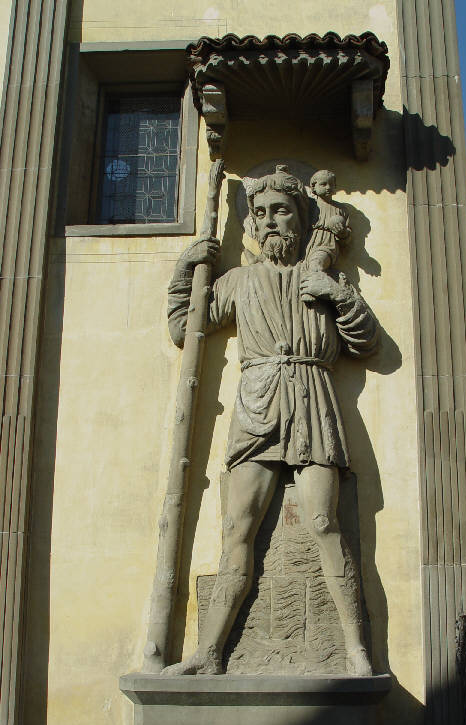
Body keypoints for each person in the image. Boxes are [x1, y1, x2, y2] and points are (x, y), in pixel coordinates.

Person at [163, 165, 378, 676]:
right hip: (258, 402)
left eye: (280, 211)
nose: (268, 222)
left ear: (301, 219)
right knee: (238, 528)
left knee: (326, 524)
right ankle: (210, 654)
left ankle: (355, 651)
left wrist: (338, 294)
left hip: (312, 398)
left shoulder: (321, 276)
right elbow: (183, 329)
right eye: (259, 214)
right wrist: (184, 269)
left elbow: (367, 343)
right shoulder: (238, 281)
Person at [305, 169, 351, 273]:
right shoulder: (310, 205)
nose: (328, 187)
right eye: (323, 184)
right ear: (313, 187)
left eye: (331, 184)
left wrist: (343, 233)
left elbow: (347, 238)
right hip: (308, 244)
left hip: (328, 245)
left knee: (316, 265)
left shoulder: (341, 209)